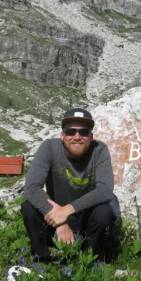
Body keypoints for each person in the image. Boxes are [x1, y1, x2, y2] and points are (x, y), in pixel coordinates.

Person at [21, 108, 120, 263]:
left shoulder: (99, 150)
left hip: (86, 217)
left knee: (104, 211)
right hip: (54, 218)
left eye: (83, 132)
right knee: (29, 207)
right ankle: (43, 260)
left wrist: (66, 211)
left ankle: (91, 260)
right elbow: (32, 188)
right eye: (71, 131)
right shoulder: (49, 147)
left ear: (91, 136)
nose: (77, 136)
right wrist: (60, 220)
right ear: (62, 135)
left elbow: (105, 190)